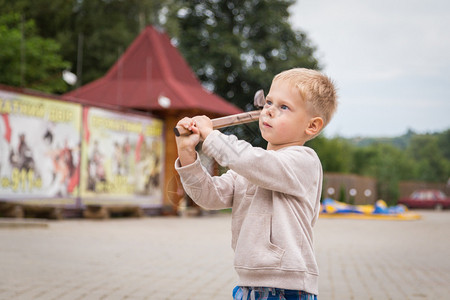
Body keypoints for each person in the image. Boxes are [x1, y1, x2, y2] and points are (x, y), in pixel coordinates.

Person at [174, 68, 337, 300]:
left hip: (287, 284)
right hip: (249, 283)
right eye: (268, 102)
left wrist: (211, 137)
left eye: (284, 107)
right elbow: (209, 196)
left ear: (311, 126)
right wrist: (187, 152)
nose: (269, 110)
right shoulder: (248, 168)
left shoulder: (304, 161)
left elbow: (253, 162)